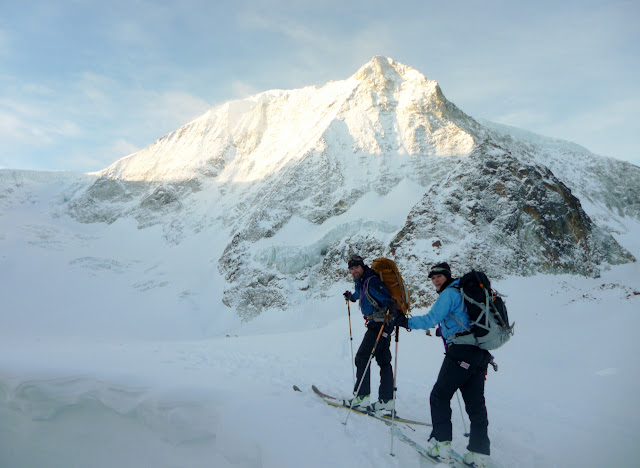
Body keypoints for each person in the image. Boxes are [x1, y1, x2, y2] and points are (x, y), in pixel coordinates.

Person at [392, 262, 491, 468]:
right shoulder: (464, 293)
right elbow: (461, 319)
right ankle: (479, 454)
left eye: (439, 276)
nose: (435, 279)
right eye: (433, 277)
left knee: (439, 396)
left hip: (460, 353)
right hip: (480, 354)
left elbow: (430, 319)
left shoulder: (449, 294)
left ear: (447, 276)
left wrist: (405, 322)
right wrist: (445, 330)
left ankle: (441, 446)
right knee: (475, 404)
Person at [343, 254, 395, 415]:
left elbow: (387, 297)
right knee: (383, 361)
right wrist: (351, 297)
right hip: (378, 324)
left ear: (362, 266)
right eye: (351, 269)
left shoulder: (371, 281)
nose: (354, 271)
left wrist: (390, 309)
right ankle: (387, 400)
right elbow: (360, 293)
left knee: (362, 357)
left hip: (380, 325)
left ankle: (362, 397)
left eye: (356, 267)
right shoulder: (362, 281)